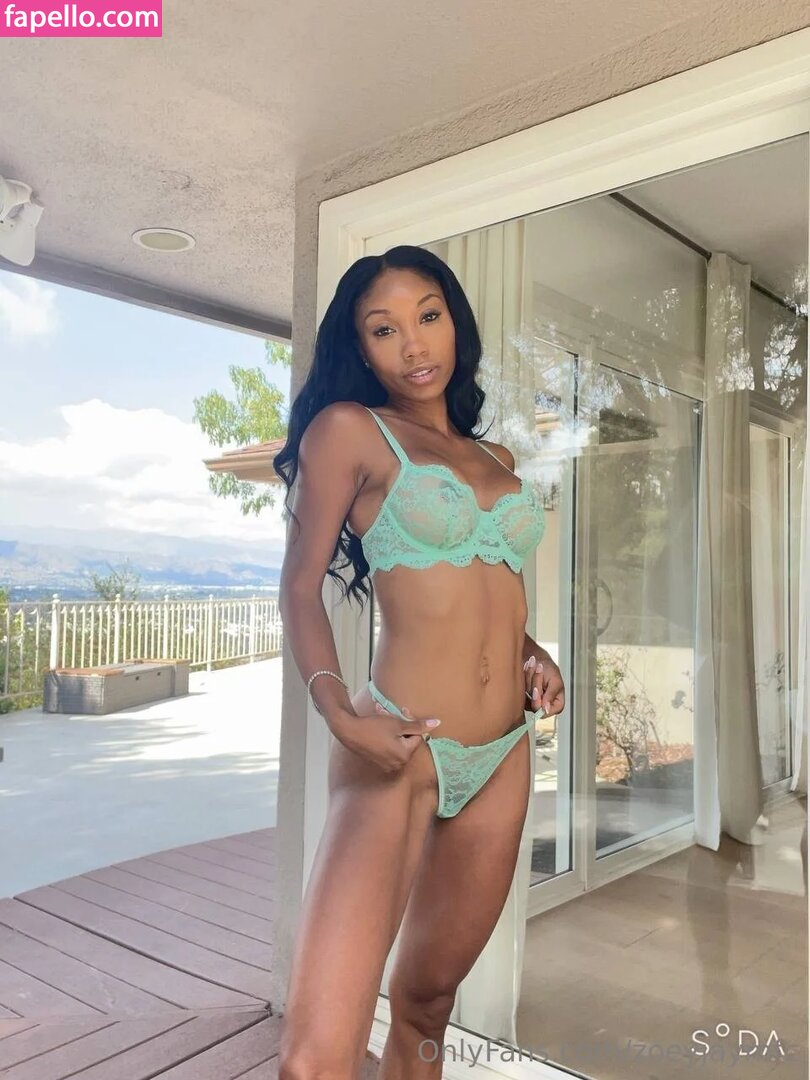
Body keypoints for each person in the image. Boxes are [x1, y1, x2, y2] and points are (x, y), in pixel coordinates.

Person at [274, 244, 566, 1079]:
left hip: (502, 752)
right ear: (361, 349)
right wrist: (339, 714)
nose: (413, 344)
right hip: (400, 748)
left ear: (454, 322)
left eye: (428, 316)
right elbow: (299, 588)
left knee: (429, 1003)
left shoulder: (498, 460)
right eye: (384, 329)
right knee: (317, 1058)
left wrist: (531, 654)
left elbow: (489, 588)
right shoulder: (350, 432)